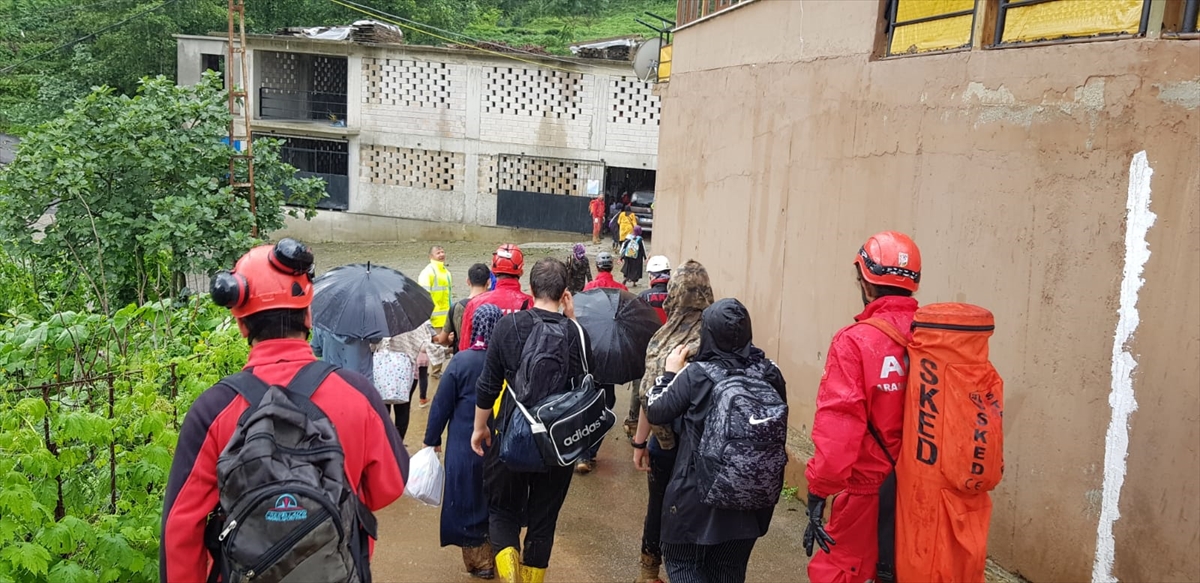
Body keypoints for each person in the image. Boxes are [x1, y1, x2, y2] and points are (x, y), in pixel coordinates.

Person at [161, 239, 409, 582]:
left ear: (241, 325)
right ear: (309, 314)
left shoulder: (213, 409)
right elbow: (390, 485)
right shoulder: (358, 395)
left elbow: (180, 526)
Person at [804, 231, 922, 583]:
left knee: (839, 573)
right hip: (923, 494)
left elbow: (838, 431)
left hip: (868, 496)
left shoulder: (855, 342)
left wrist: (818, 490)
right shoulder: (934, 338)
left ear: (866, 284)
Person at [643, 298, 786, 583]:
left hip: (695, 497)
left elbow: (656, 409)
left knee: (683, 563)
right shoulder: (769, 372)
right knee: (728, 571)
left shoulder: (697, 375)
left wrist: (669, 374)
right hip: (750, 502)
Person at [470, 258, 594, 583]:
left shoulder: (508, 327)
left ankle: (509, 578)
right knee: (543, 519)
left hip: (510, 431)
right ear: (565, 293)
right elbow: (587, 389)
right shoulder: (576, 334)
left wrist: (479, 427)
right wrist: (573, 321)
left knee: (501, 510)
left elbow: (488, 386)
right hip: (557, 442)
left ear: (531, 288)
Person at [629, 260, 714, 583]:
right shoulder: (715, 333)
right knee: (700, 509)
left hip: (665, 444)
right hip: (704, 446)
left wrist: (640, 442)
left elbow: (648, 395)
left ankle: (649, 571)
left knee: (659, 505)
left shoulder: (661, 339)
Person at [425, 304, 504, 580]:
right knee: (496, 501)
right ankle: (502, 553)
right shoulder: (508, 360)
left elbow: (441, 404)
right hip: (500, 442)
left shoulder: (461, 361)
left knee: (468, 497)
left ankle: (479, 562)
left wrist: (432, 439)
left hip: (464, 442)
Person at [623, 255, 671, 437]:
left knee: (640, 386)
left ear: (651, 276)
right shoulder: (676, 297)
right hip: (672, 353)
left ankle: (634, 422)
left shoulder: (643, 297)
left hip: (646, 350)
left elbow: (635, 325)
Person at [458, 244, 535, 353]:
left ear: (493, 272)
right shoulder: (531, 303)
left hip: (482, 367)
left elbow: (464, 348)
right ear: (521, 272)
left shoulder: (475, 303)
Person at [380, 321, 437, 440]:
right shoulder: (411, 319)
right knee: (403, 409)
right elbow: (423, 345)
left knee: (382, 411)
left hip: (382, 372)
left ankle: (385, 445)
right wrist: (445, 350)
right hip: (406, 372)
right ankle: (398, 445)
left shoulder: (378, 318)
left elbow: (372, 345)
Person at [436, 263, 493, 355]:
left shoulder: (456, 307)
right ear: (488, 282)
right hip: (488, 357)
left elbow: (442, 340)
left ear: (468, 281)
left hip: (462, 357)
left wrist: (450, 340)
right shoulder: (492, 306)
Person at [310, 325, 378, 381]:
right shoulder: (364, 315)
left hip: (333, 378)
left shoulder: (324, 319)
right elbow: (376, 339)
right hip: (362, 380)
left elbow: (316, 349)